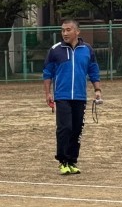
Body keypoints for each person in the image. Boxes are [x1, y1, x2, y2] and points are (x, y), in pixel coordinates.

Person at [42, 18, 102, 175]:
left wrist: (97, 89)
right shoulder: (55, 50)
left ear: (77, 31)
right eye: (63, 30)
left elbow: (93, 70)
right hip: (62, 96)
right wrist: (48, 93)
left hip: (80, 97)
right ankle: (63, 161)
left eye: (68, 30)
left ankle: (72, 161)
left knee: (77, 129)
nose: (65, 33)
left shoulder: (87, 49)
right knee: (65, 128)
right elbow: (47, 73)